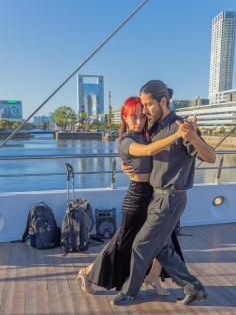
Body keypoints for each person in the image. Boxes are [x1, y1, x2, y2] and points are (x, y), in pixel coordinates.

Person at [111, 80, 216, 306]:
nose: (145, 110)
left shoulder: (181, 126)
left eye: (148, 105)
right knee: (162, 248)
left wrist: (193, 138)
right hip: (155, 195)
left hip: (171, 197)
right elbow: (142, 151)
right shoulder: (153, 126)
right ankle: (194, 288)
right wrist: (125, 164)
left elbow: (211, 157)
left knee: (141, 245)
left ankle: (130, 292)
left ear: (163, 101)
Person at [76, 96, 189, 295]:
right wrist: (177, 135)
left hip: (157, 194)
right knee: (121, 245)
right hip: (137, 198)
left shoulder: (148, 134)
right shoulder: (125, 140)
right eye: (133, 117)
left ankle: (153, 277)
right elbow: (146, 151)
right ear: (124, 118)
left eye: (141, 117)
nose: (138, 121)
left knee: (165, 239)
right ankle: (86, 272)